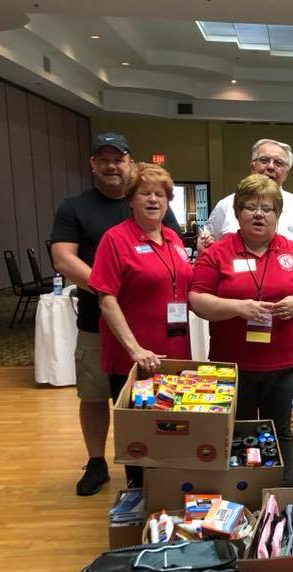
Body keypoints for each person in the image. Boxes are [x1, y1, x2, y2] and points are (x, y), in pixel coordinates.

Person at [51, 132, 181, 496]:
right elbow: (65, 260)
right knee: (102, 399)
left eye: (118, 158)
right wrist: (111, 283)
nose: (153, 199)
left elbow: (171, 268)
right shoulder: (82, 212)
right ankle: (103, 466)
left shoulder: (167, 229)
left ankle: (156, 475)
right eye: (103, 158)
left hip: (163, 333)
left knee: (156, 410)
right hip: (111, 331)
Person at [189, 174, 293, 483]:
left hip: (285, 364)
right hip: (233, 366)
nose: (259, 214)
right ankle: (242, 489)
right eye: (250, 207)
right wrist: (238, 307)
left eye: (267, 208)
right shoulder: (218, 253)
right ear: (238, 213)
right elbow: (196, 300)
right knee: (237, 431)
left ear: (278, 214)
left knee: (283, 432)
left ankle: (284, 488)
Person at [88, 163, 193, 487]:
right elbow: (106, 299)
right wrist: (134, 349)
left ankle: (168, 489)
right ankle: (139, 494)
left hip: (174, 352)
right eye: (145, 193)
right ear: (130, 200)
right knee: (139, 434)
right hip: (134, 358)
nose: (153, 200)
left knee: (171, 426)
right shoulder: (115, 239)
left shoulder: (173, 238)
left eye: (160, 194)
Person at [200, 138, 293, 261]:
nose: (271, 167)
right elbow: (208, 248)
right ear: (252, 166)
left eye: (279, 163)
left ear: (286, 172)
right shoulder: (226, 205)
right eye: (264, 160)